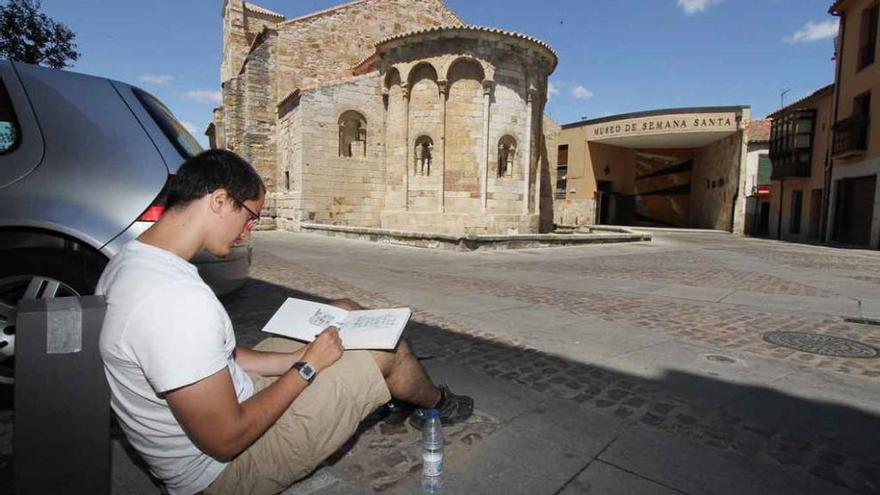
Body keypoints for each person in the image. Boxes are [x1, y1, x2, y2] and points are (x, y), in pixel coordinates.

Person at [97, 149, 473, 495]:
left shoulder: (133, 261)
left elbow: (221, 357)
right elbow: (226, 439)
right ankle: (435, 404)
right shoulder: (175, 302)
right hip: (227, 471)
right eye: (250, 216)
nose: (250, 230)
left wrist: (294, 359)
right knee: (385, 348)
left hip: (225, 407)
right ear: (219, 201)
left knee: (343, 309)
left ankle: (388, 389)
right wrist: (307, 368)